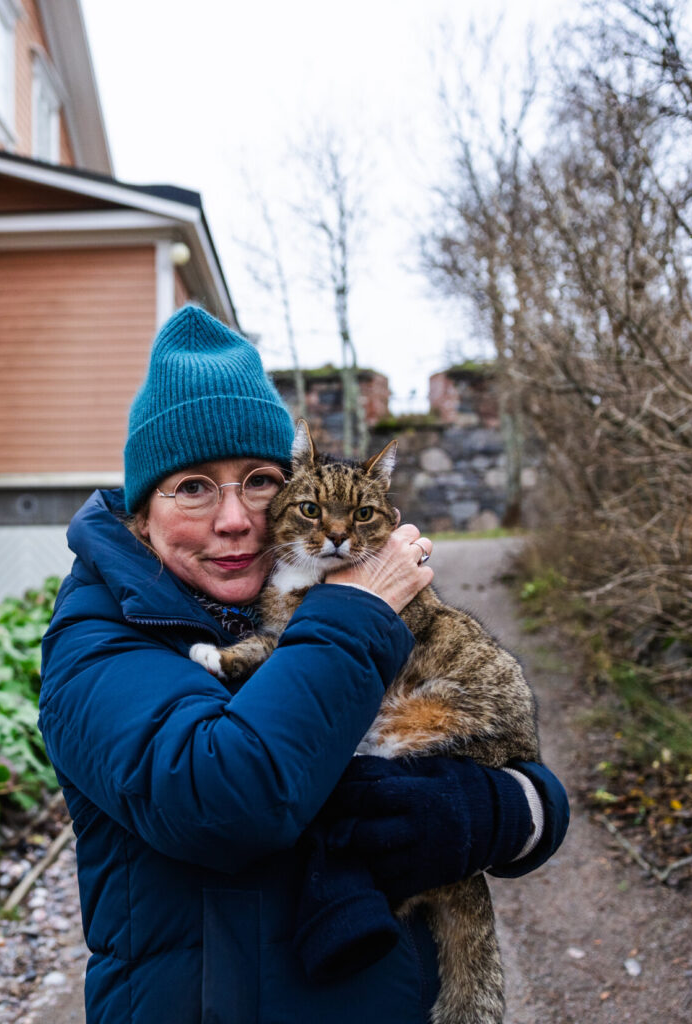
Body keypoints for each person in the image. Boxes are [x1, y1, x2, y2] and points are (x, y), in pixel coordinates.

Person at [37, 305, 568, 1023]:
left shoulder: (289, 598)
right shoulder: (95, 644)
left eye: (258, 480)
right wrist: (358, 613)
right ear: (142, 512)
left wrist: (502, 811)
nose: (235, 520)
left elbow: (534, 795)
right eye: (192, 487)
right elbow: (226, 799)